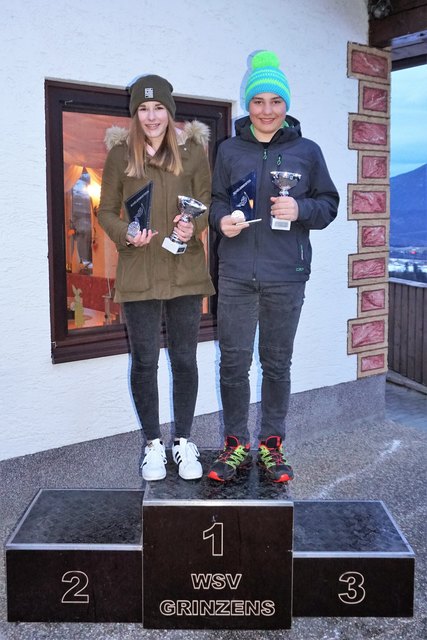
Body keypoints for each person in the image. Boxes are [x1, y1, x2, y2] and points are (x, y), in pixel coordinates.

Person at [208, 51, 339, 483]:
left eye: (275, 101)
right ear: (248, 104)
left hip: (287, 275)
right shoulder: (229, 149)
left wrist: (299, 207)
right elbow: (214, 201)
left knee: (277, 363)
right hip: (236, 274)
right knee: (233, 363)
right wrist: (220, 220)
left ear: (286, 105)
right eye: (258, 101)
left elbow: (329, 205)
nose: (266, 110)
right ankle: (235, 446)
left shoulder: (307, 151)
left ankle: (271, 446)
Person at [98, 74, 214, 481]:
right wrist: (125, 232)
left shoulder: (193, 150)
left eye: (158, 108)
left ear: (170, 111)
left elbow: (206, 201)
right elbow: (106, 211)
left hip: (183, 271)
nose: (151, 116)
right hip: (139, 271)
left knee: (184, 359)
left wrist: (192, 226)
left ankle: (182, 441)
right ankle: (152, 443)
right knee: (144, 361)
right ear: (135, 113)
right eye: (143, 109)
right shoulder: (119, 156)